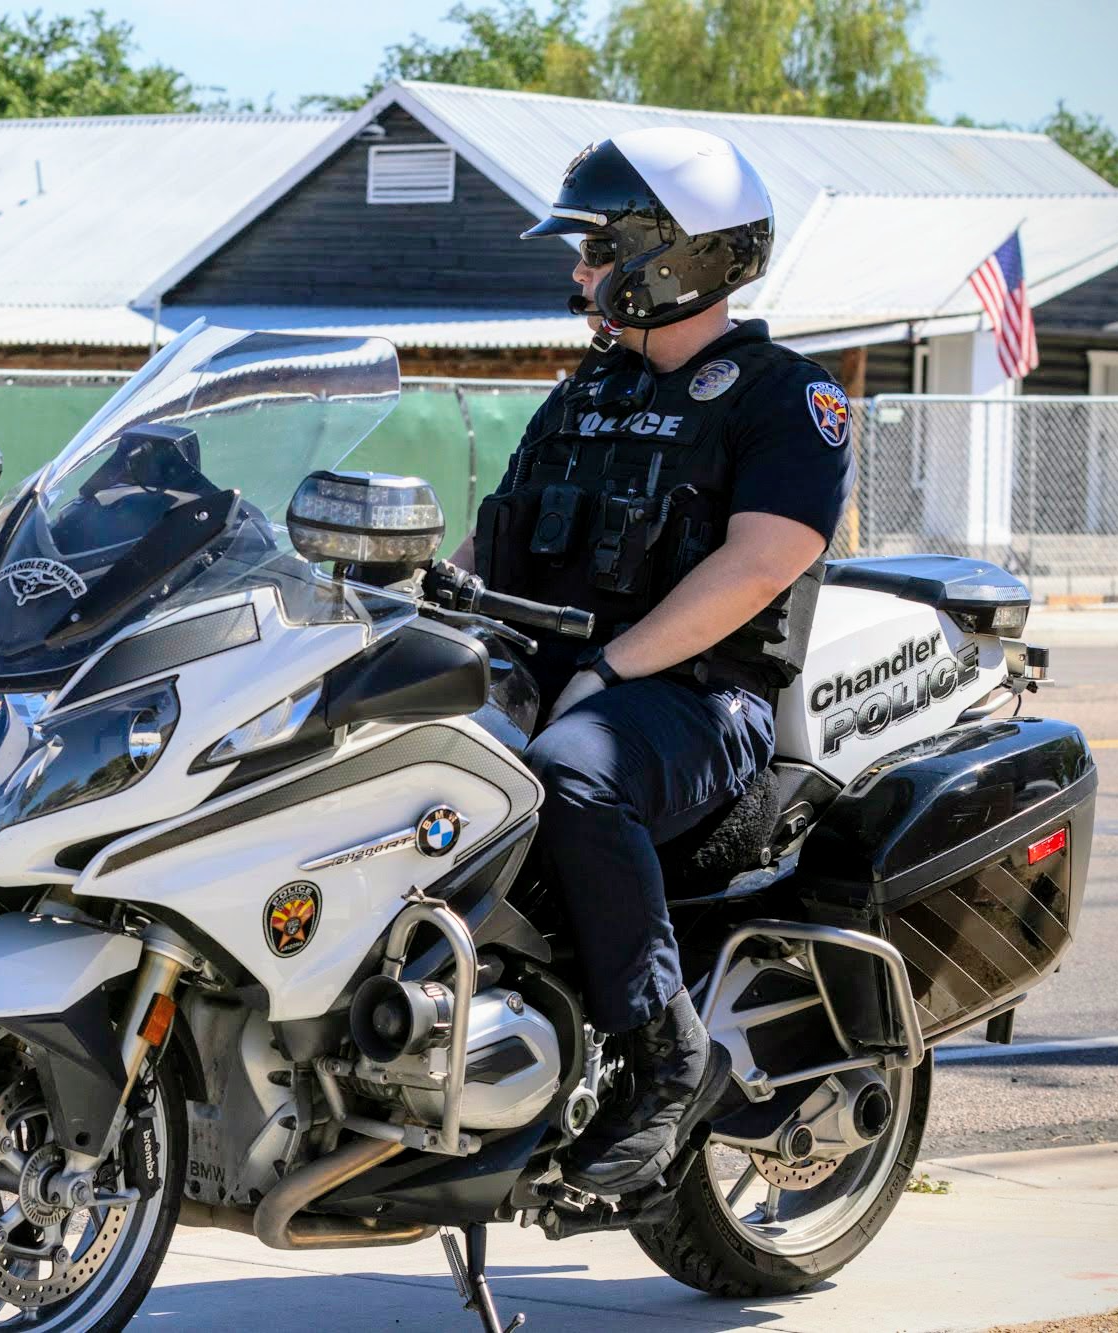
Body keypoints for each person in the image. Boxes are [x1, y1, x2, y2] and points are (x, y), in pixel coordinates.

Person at [454, 128, 855, 1194]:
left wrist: (612, 668)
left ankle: (663, 1054)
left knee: (571, 773)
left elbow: (762, 560)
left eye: (594, 251)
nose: (578, 275)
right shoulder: (584, 392)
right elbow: (487, 540)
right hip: (558, 681)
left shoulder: (785, 398)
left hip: (692, 702)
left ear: (668, 254)